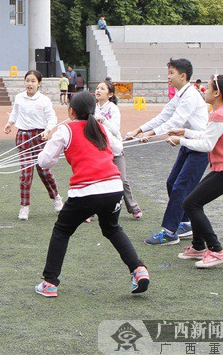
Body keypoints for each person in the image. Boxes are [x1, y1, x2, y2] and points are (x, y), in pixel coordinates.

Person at [35, 91, 149, 297]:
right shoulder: (100, 128)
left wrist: (52, 146)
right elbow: (117, 148)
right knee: (112, 228)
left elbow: (44, 162)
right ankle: (138, 269)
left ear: (71, 111)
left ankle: (49, 282)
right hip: (114, 189)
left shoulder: (65, 130)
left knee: (62, 231)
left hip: (85, 191)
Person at [166, 75, 223, 268]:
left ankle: (216, 250)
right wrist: (185, 132)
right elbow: (207, 135)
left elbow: (207, 144)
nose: (204, 91)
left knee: (191, 203)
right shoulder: (220, 111)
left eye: (208, 88)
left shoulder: (220, 114)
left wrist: (181, 140)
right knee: (191, 202)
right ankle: (198, 247)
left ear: (217, 93)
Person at [126, 58, 209, 246]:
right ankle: (185, 223)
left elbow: (175, 122)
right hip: (187, 144)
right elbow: (163, 116)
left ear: (183, 76)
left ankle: (170, 232)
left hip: (200, 147)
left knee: (180, 187)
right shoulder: (180, 94)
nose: (168, 77)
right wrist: (138, 130)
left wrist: (150, 134)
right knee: (172, 183)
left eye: (171, 73)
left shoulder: (190, 96)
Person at [4, 70, 63, 221]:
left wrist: (47, 130)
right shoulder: (19, 97)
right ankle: (24, 206)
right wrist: (10, 123)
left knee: (44, 172)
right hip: (23, 137)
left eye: (33, 81)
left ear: (39, 84)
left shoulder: (44, 100)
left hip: (39, 138)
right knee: (25, 174)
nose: (29, 84)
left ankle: (56, 197)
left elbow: (52, 118)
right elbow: (14, 113)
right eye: (27, 81)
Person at [94, 79, 142, 219]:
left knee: (122, 180)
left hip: (115, 149)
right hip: (98, 151)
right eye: (97, 88)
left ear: (110, 94)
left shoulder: (113, 108)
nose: (98, 90)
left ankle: (133, 207)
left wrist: (103, 120)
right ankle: (90, 211)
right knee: (95, 180)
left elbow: (116, 130)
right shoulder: (92, 108)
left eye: (102, 89)